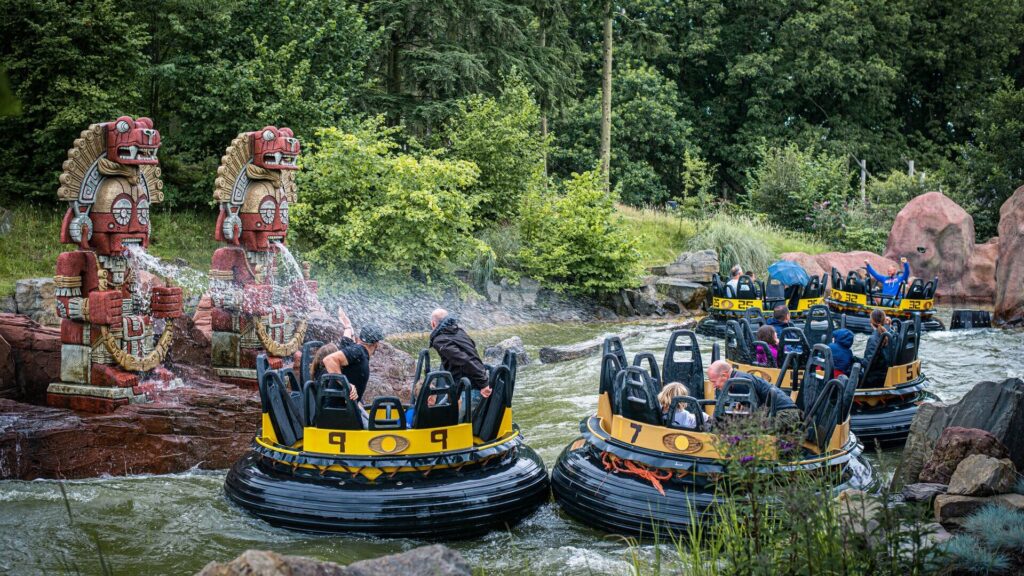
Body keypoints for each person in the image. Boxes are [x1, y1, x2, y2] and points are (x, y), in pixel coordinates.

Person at [707, 360, 801, 432]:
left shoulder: (739, 383)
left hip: (786, 416)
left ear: (724, 375)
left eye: (714, 382)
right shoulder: (739, 378)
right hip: (785, 413)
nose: (714, 386)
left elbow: (756, 413)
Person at [429, 309, 491, 415]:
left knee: (457, 423)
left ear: (433, 323)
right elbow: (471, 352)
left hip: (469, 389)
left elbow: (465, 360)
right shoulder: (459, 331)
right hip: (463, 386)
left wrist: (483, 384)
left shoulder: (439, 340)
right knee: (441, 413)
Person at [861, 309, 899, 385]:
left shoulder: (874, 338)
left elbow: (869, 363)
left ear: (871, 322)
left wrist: (855, 360)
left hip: (875, 378)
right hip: (886, 374)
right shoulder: (892, 334)